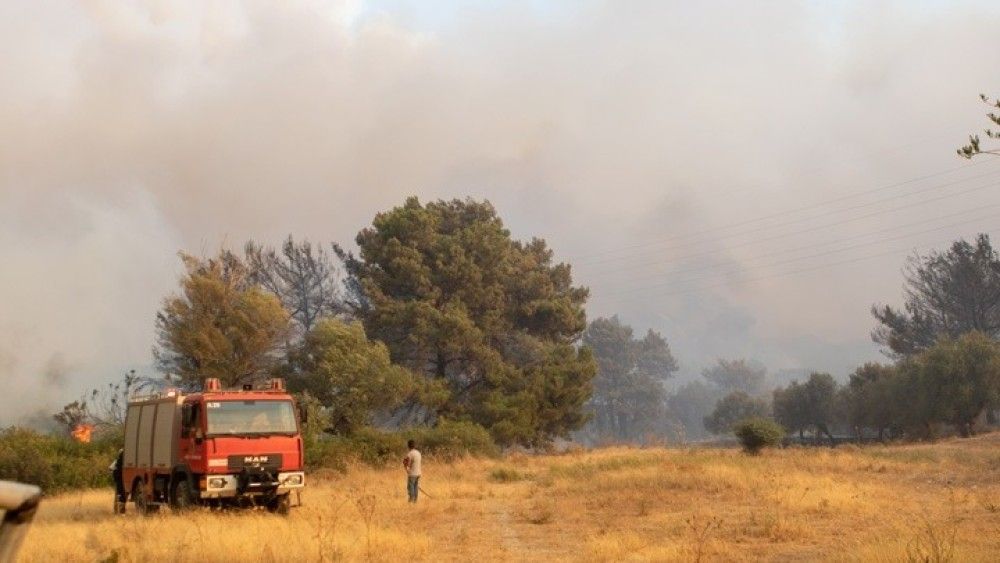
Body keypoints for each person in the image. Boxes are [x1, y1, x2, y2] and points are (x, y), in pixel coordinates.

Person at [402, 439, 422, 503]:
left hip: (412, 473)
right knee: (415, 487)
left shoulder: (410, 454)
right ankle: (415, 501)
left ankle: (411, 501)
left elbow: (406, 463)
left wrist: (405, 466)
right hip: (418, 473)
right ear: (414, 445)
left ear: (408, 446)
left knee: (410, 488)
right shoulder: (418, 453)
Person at [109, 448, 126, 514]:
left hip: (119, 482)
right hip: (124, 482)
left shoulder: (117, 461)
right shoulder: (124, 462)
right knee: (122, 497)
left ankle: (117, 511)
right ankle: (121, 511)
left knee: (118, 497)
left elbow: (110, 468)